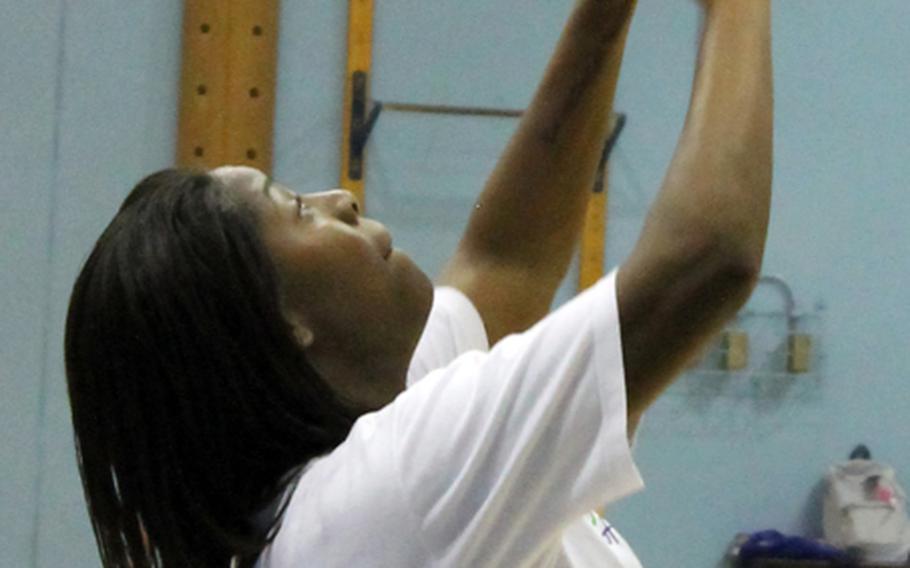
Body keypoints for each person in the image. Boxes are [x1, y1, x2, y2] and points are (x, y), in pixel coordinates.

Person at [64, 0, 772, 566]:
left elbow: (509, 259)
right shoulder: (384, 496)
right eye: (298, 209)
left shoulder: (338, 471)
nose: (338, 199)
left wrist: (606, 11)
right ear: (283, 322)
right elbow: (706, 256)